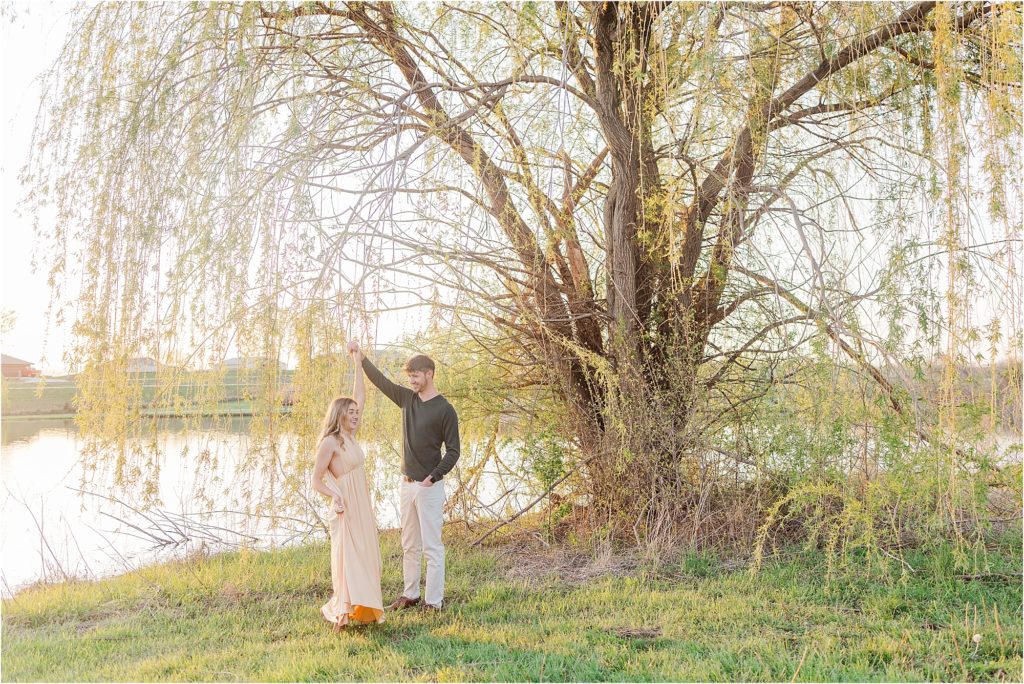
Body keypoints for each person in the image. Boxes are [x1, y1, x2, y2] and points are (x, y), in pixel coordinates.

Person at [347, 340, 460, 611]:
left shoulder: (445, 410)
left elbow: (453, 451)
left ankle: (434, 602)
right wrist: (360, 359)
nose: (411, 381)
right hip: (406, 484)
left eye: (415, 376)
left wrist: (433, 477)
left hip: (429, 487)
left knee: (432, 547)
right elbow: (381, 381)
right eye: (409, 376)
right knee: (409, 544)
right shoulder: (407, 399)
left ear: (429, 374)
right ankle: (410, 594)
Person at [310, 349, 385, 630]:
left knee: (367, 555)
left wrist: (358, 363)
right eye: (350, 412)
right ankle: (341, 612)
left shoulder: (350, 436)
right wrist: (335, 494)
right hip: (345, 505)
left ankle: (363, 608)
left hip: (362, 504)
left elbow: (360, 396)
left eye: (356, 412)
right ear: (339, 414)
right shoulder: (329, 442)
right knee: (347, 559)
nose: (356, 415)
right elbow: (316, 480)